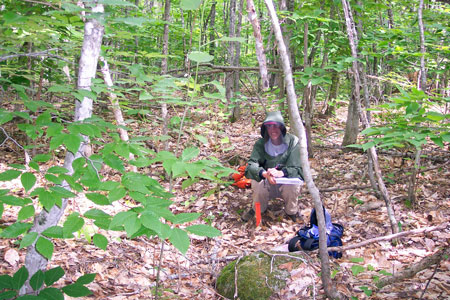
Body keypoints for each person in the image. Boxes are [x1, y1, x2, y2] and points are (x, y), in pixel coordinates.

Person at [242, 111, 304, 222]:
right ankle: (258, 210)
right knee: (256, 182)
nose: (273, 130)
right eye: (269, 126)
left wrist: (282, 173)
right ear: (265, 128)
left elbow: (298, 169)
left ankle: (292, 211)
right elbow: (250, 166)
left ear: (282, 128)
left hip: (285, 182)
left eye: (276, 126)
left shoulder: (292, 142)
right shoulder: (260, 144)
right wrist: (264, 173)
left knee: (294, 184)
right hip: (267, 181)